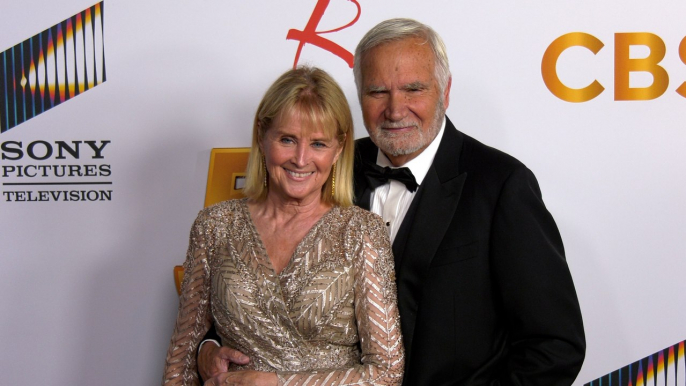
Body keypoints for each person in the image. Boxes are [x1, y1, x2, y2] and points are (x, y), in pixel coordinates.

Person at [200, 18, 586, 386]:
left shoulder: (500, 185)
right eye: (377, 91)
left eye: (413, 89)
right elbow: (260, 283)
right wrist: (210, 346)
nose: (395, 109)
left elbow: (554, 344)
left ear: (445, 91)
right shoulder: (322, 167)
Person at [162, 66, 404, 386]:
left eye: (318, 144)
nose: (301, 159)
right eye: (287, 139)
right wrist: (206, 352)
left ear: (339, 148)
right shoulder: (214, 226)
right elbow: (180, 359)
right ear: (262, 136)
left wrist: (276, 383)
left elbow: (387, 373)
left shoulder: (362, 232)